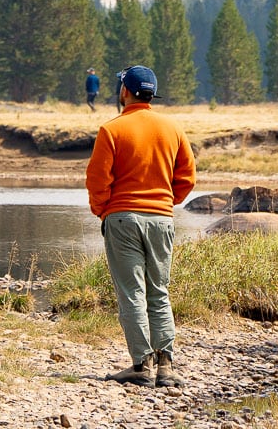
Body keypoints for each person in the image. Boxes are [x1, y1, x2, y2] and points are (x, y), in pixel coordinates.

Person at [86, 65, 195, 389]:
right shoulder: (173, 128)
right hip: (161, 219)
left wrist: (103, 210)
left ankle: (141, 365)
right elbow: (187, 178)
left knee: (132, 293)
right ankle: (166, 365)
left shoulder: (111, 130)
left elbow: (97, 180)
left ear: (125, 91)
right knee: (158, 291)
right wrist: (165, 203)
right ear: (151, 93)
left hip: (122, 218)